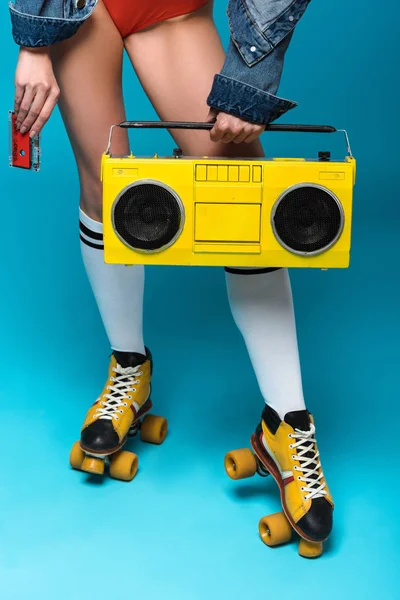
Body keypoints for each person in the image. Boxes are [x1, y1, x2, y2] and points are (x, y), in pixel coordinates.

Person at [9, 0, 333, 543]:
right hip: (77, 8)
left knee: (241, 200)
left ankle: (288, 422)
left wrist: (250, 76)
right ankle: (130, 369)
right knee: (108, 188)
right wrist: (34, 43)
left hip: (165, 6)